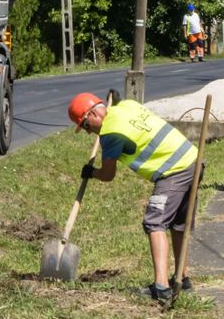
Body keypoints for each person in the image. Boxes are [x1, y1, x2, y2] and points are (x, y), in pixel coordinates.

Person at [69, 92, 200, 302]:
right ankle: (182, 279)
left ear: (93, 114)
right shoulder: (128, 105)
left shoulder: (110, 134)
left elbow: (108, 175)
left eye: (85, 126)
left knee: (154, 221)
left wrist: (91, 172)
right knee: (178, 224)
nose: (88, 132)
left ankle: (162, 288)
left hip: (174, 171)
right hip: (193, 159)